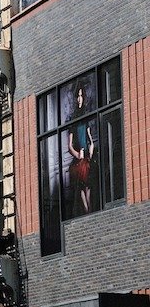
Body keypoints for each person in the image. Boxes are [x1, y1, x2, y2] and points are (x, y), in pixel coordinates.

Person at [68, 82, 95, 214]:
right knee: (81, 183)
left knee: (88, 184)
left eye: (81, 96)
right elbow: (69, 145)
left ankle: (89, 209)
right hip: (79, 157)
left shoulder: (87, 115)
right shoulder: (73, 118)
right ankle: (86, 210)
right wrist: (77, 154)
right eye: (77, 96)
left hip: (87, 156)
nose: (80, 99)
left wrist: (91, 149)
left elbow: (90, 137)